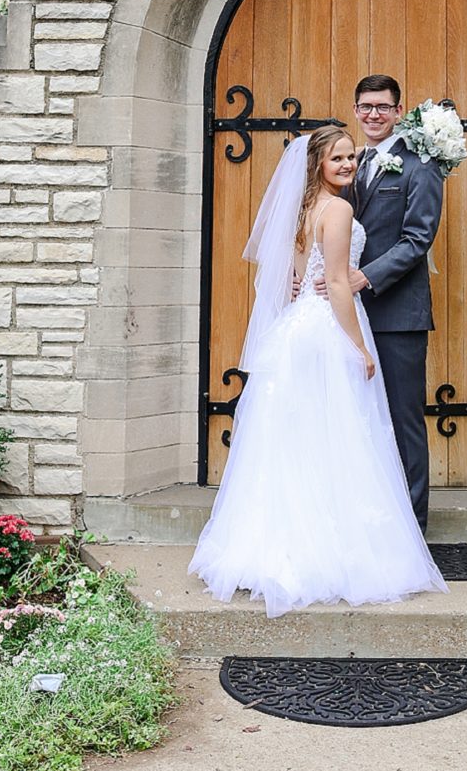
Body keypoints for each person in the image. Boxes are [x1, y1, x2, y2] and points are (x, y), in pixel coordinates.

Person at [188, 125, 446, 618]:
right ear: (318, 165)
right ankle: (335, 550)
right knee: (341, 436)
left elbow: (294, 278)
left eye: (351, 157)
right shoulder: (341, 209)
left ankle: (281, 543)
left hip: (297, 330)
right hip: (327, 330)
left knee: (300, 439)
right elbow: (337, 284)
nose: (348, 165)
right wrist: (358, 348)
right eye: (338, 159)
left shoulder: (305, 207)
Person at [345, 74, 444, 533]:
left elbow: (417, 239)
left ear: (398, 111)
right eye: (365, 107)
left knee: (404, 420)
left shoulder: (419, 163)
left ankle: (412, 526)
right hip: (350, 316)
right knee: (360, 417)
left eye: (383, 107)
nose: (373, 115)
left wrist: (365, 277)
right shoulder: (354, 160)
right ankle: (370, 516)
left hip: (398, 314)